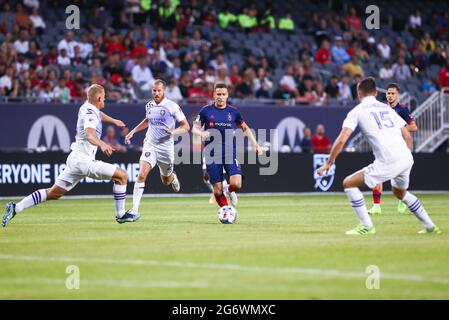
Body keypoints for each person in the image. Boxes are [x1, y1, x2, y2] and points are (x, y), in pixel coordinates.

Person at [316, 77, 440, 235]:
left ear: (358, 94)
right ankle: (430, 227)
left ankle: (367, 226)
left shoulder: (357, 111)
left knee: (348, 183)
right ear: (375, 92)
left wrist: (328, 163)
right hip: (406, 157)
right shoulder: (388, 109)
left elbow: (341, 140)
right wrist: (405, 156)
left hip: (389, 160)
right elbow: (408, 136)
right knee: (399, 193)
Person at [2, 84, 134, 227]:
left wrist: (114, 121)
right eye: (104, 98)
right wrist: (102, 144)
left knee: (53, 193)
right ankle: (121, 215)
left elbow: (99, 115)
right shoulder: (90, 113)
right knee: (122, 176)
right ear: (99, 98)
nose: (105, 100)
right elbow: (90, 135)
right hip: (84, 161)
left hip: (75, 159)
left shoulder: (86, 107)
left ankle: (15, 208)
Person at [124, 79, 190, 216]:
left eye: (159, 90)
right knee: (141, 174)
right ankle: (134, 209)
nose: (156, 93)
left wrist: (173, 132)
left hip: (166, 149)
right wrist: (133, 131)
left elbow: (186, 126)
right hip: (150, 145)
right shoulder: (149, 105)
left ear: (163, 91)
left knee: (166, 181)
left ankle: (173, 177)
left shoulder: (172, 106)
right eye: (154, 90)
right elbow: (148, 120)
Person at [192, 83, 262, 208]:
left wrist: (255, 144)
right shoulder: (206, 110)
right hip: (211, 154)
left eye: (223, 94)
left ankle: (230, 191)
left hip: (229, 152)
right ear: (214, 95)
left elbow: (245, 128)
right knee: (218, 191)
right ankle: (226, 210)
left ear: (227, 95)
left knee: (237, 184)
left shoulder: (233, 111)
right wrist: (201, 133)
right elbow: (194, 129)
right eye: (218, 94)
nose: (221, 97)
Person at [368, 83, 418, 215]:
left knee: (398, 180)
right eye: (388, 93)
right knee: (377, 174)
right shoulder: (382, 109)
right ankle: (376, 206)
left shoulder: (402, 109)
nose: (390, 96)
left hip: (398, 148)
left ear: (398, 95)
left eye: (393, 93)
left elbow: (413, 127)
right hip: (384, 147)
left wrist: (397, 129)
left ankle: (402, 200)